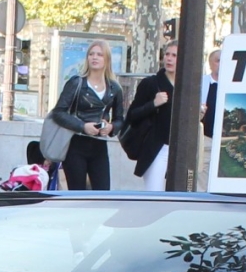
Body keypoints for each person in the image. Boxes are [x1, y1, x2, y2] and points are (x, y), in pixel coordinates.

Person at [46, 40, 125, 193]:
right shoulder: (76, 83)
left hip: (99, 145)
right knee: (77, 193)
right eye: (91, 54)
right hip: (76, 144)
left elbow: (120, 119)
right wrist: (82, 127)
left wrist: (110, 127)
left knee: (102, 194)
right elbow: (58, 112)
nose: (94, 57)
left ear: (107, 59)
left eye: (99, 55)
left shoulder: (114, 88)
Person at [122, 40, 179, 192]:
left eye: (174, 55)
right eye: (167, 54)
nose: (169, 58)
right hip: (157, 148)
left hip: (180, 150)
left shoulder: (187, 87)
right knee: (155, 194)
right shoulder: (151, 84)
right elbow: (132, 115)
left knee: (180, 197)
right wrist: (153, 104)